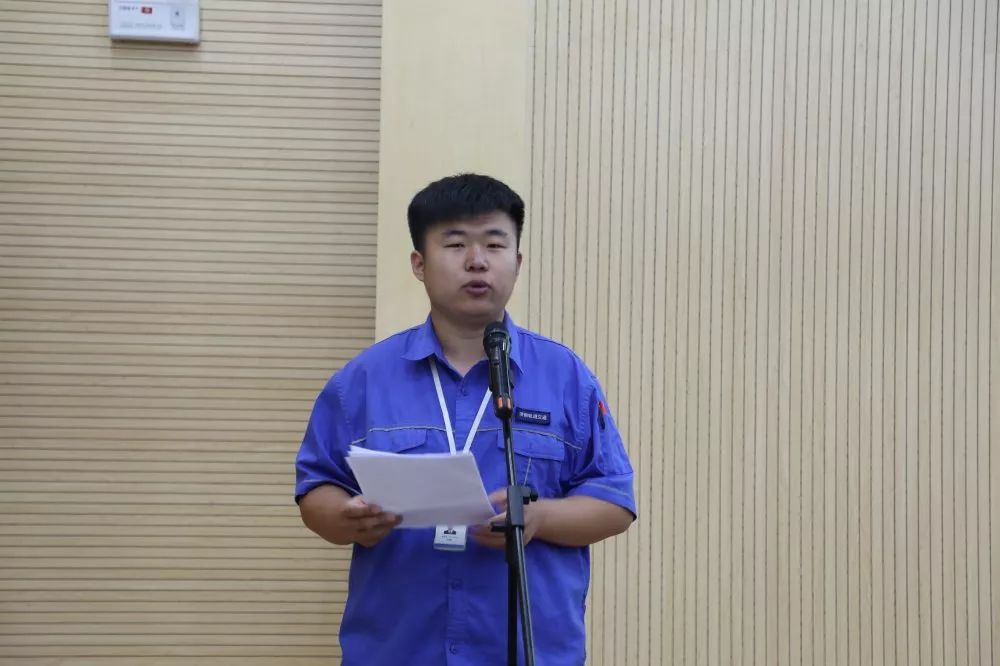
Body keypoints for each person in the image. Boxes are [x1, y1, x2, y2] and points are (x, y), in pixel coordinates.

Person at [295, 173, 635, 665]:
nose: (477, 260)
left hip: (526, 652)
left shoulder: (566, 377)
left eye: (495, 244)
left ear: (517, 262)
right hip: (397, 651)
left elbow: (614, 502)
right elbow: (316, 490)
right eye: (455, 244)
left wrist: (538, 519)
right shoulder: (362, 380)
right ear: (419, 263)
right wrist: (348, 519)